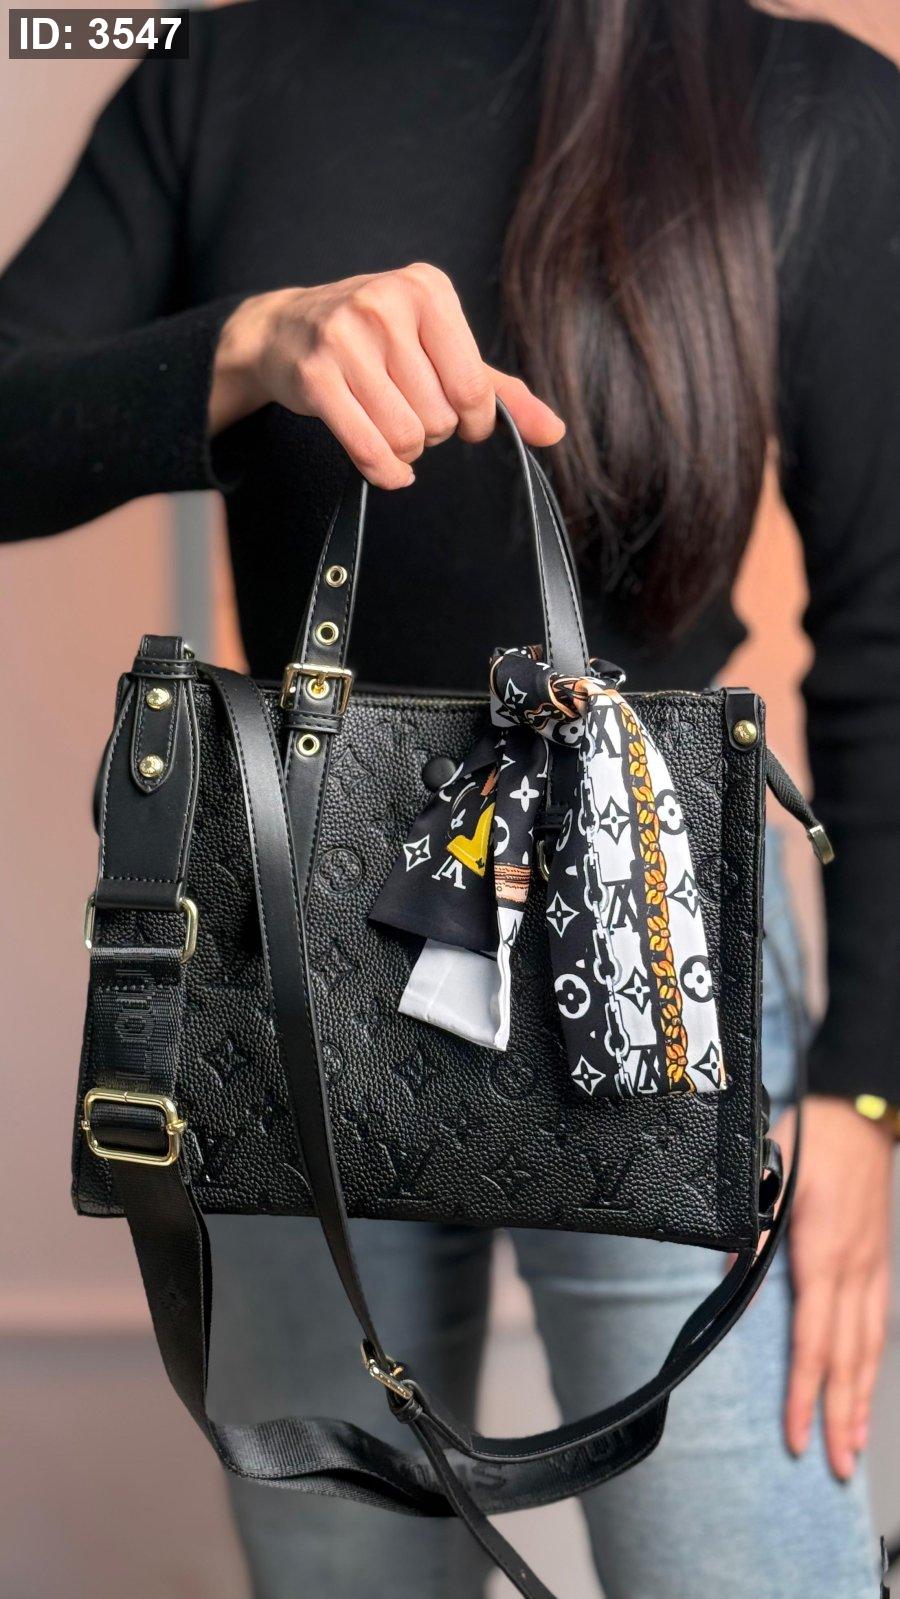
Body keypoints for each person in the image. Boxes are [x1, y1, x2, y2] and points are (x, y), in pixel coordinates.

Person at [1, 3, 897, 1595]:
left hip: (654, 962)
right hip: (294, 949)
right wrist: (247, 346)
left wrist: (870, 1090)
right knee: (339, 1571)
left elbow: (891, 632)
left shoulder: (801, 98)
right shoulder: (224, 72)